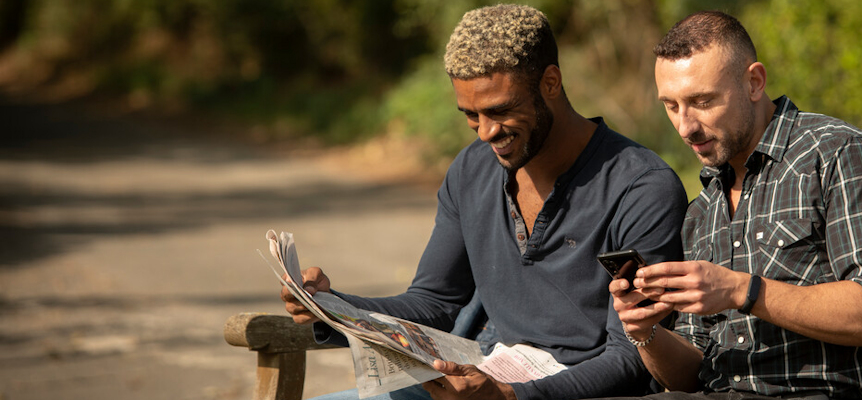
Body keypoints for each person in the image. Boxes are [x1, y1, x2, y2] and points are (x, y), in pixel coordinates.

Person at [280, 4, 687, 400]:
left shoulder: (641, 188)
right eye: (471, 115)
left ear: (551, 82)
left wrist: (509, 396)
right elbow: (434, 302)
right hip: (481, 381)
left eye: (500, 110)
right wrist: (332, 307)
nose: (485, 133)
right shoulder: (472, 170)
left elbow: (631, 356)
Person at [606, 11, 862, 399]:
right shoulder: (702, 211)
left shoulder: (839, 154)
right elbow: (690, 376)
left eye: (702, 101)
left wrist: (743, 291)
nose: (686, 127)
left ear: (754, 81)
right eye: (671, 106)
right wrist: (645, 332)